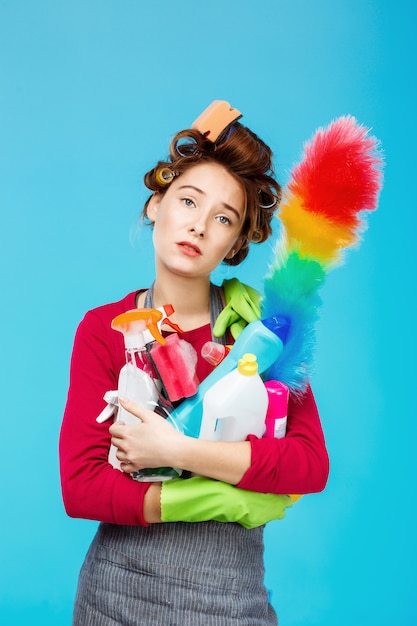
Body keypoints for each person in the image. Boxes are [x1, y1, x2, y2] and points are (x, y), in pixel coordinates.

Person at [59, 101, 329, 626]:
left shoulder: (260, 334)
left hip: (233, 604)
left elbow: (308, 465)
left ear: (233, 243)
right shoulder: (104, 329)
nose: (200, 226)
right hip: (114, 599)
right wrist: (228, 497)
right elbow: (83, 486)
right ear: (155, 205)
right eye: (188, 201)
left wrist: (176, 450)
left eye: (223, 217)